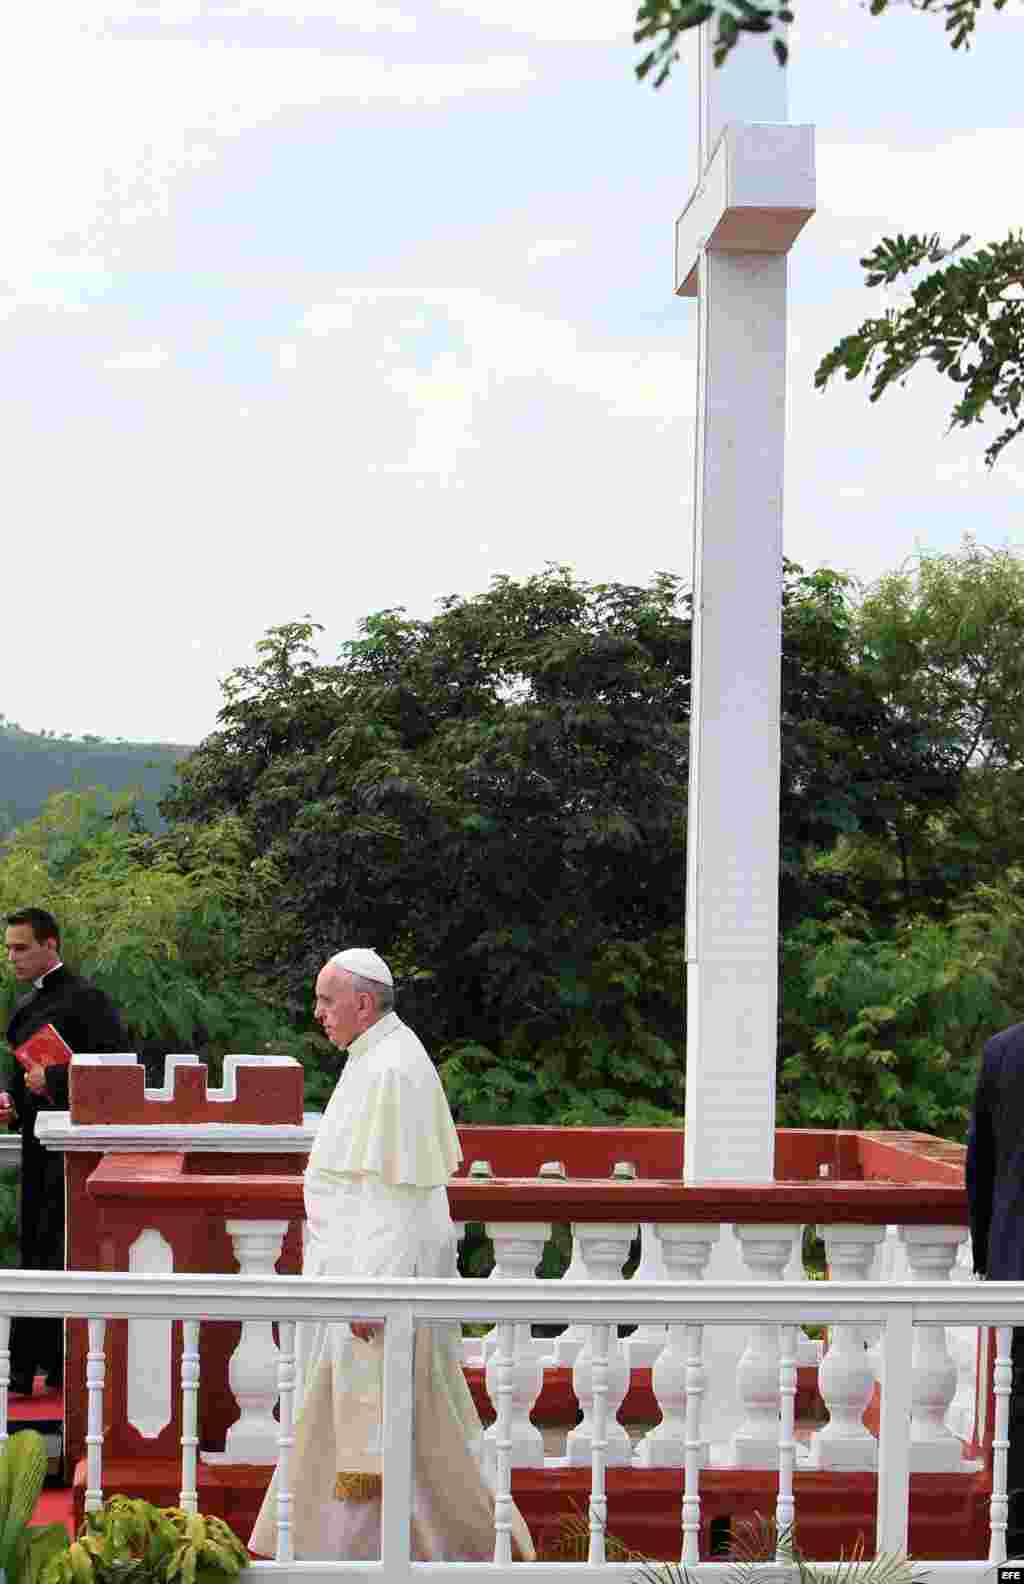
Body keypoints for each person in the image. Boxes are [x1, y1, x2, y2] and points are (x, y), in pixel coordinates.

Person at [249, 947, 534, 1564]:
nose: (318, 1012)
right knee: (385, 1430)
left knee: (395, 1432)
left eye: (327, 1000)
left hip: (377, 1290)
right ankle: (355, 1556)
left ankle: (428, 1556)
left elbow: (395, 1199)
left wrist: (367, 1291)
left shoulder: (392, 1069)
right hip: (361, 1285)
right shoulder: (373, 1057)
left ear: (364, 1001)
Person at [0, 907, 128, 1396]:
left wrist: (51, 1079)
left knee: (59, 1253)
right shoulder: (25, 1005)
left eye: (21, 947)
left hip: (72, 1155)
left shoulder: (88, 1001)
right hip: (35, 1146)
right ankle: (32, 1367)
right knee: (33, 1250)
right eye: (9, 948)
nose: (11, 956)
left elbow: (118, 1072)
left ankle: (55, 1369)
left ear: (50, 945)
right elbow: (23, 1075)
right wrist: (13, 1098)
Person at [966, 1016, 1024, 1557]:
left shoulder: (1003, 1049)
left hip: (1016, 1258)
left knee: (1018, 1408)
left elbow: (979, 1163)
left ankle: (1016, 1553)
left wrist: (987, 1256)